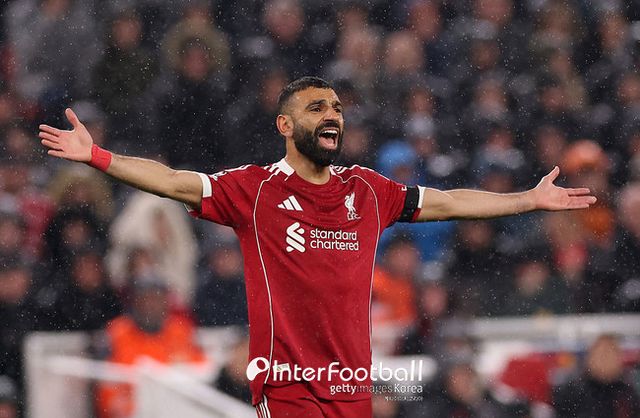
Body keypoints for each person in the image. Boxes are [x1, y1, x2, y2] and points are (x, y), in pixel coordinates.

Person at [39, 76, 596, 418]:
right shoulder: (255, 190)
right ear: (285, 124)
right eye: (316, 108)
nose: (332, 115)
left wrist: (527, 200)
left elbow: (449, 202)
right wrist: (99, 157)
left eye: (336, 108)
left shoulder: (368, 191)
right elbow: (172, 181)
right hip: (287, 387)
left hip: (351, 387)